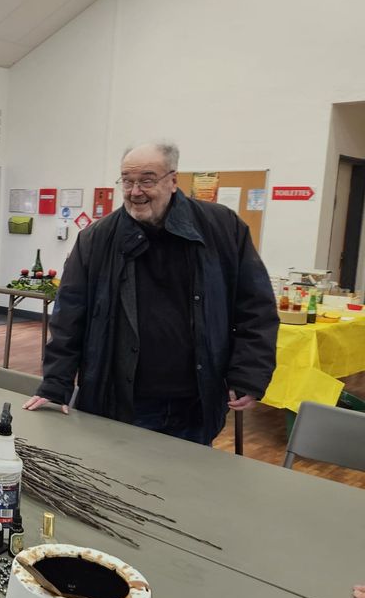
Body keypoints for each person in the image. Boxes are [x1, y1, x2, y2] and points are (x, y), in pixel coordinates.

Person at [23, 142, 278, 445]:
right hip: (118, 400)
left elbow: (256, 307)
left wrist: (248, 373)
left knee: (187, 473)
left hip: (196, 401)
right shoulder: (97, 238)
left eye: (146, 180)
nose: (135, 191)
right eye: (127, 181)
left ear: (173, 180)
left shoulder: (222, 228)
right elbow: (69, 316)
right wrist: (56, 384)